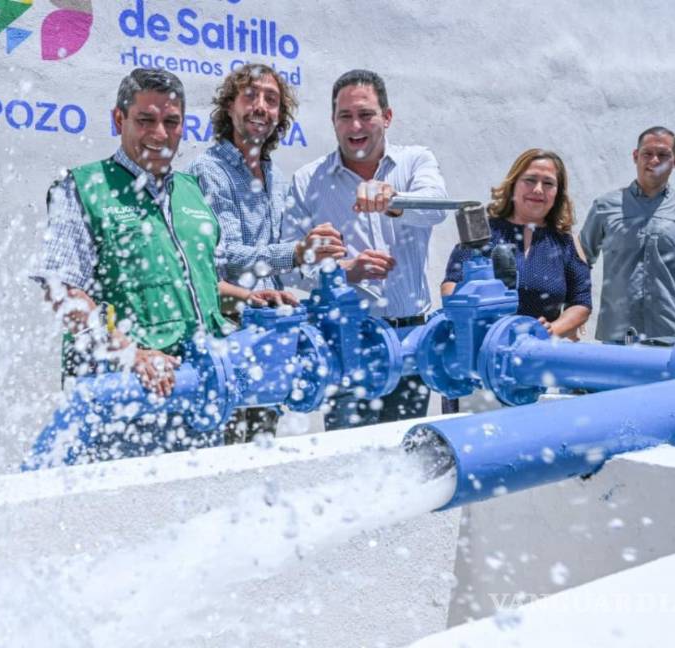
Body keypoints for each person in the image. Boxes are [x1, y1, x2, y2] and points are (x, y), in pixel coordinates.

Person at [32, 68, 295, 461]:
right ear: (118, 119)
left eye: (171, 122)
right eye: (145, 120)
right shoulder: (82, 188)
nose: (159, 134)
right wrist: (131, 354)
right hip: (124, 402)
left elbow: (200, 284)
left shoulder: (191, 192)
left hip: (198, 398)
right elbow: (64, 293)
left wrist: (247, 298)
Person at [187, 63, 346, 442]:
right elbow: (226, 257)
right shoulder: (209, 171)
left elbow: (282, 269)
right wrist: (297, 251)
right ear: (229, 107)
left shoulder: (276, 176)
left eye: (271, 100)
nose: (261, 106)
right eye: (250, 96)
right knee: (225, 453)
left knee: (261, 450)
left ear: (280, 115)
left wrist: (330, 261)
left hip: (270, 334)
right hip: (226, 334)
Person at [285, 69, 449, 430]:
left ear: (386, 117)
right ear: (333, 121)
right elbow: (289, 267)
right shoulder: (307, 180)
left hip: (411, 342)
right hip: (347, 346)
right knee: (351, 458)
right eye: (345, 116)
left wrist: (395, 201)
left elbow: (438, 205)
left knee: (405, 453)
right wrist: (343, 271)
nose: (355, 125)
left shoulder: (415, 160)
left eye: (366, 114)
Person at [580, 126, 675, 344]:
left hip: (672, 338)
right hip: (617, 339)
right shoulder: (604, 207)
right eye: (647, 153)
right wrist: (576, 309)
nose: (654, 160)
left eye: (663, 154)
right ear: (635, 156)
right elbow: (580, 260)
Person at [442, 149, 592, 337]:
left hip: (539, 350)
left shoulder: (566, 242)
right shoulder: (481, 233)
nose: (538, 189)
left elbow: (581, 302)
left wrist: (551, 331)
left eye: (548, 183)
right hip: (482, 346)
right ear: (513, 184)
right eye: (530, 180)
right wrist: (478, 325)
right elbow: (451, 285)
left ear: (557, 192)